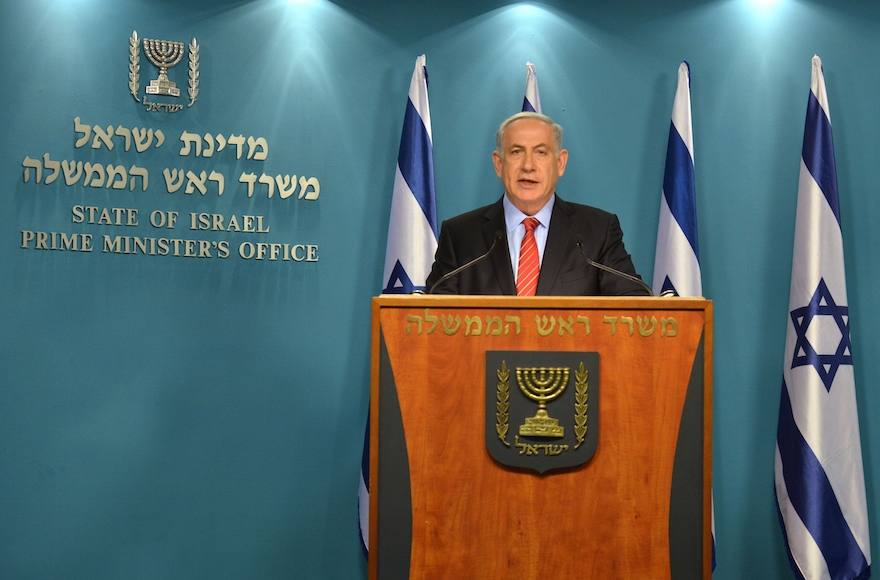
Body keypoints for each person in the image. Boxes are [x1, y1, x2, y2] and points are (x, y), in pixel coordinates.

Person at [425, 111, 649, 296]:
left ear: (560, 163)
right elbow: (433, 317)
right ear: (498, 164)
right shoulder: (460, 236)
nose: (528, 165)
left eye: (541, 152)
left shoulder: (597, 231)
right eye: (516, 152)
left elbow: (631, 303)